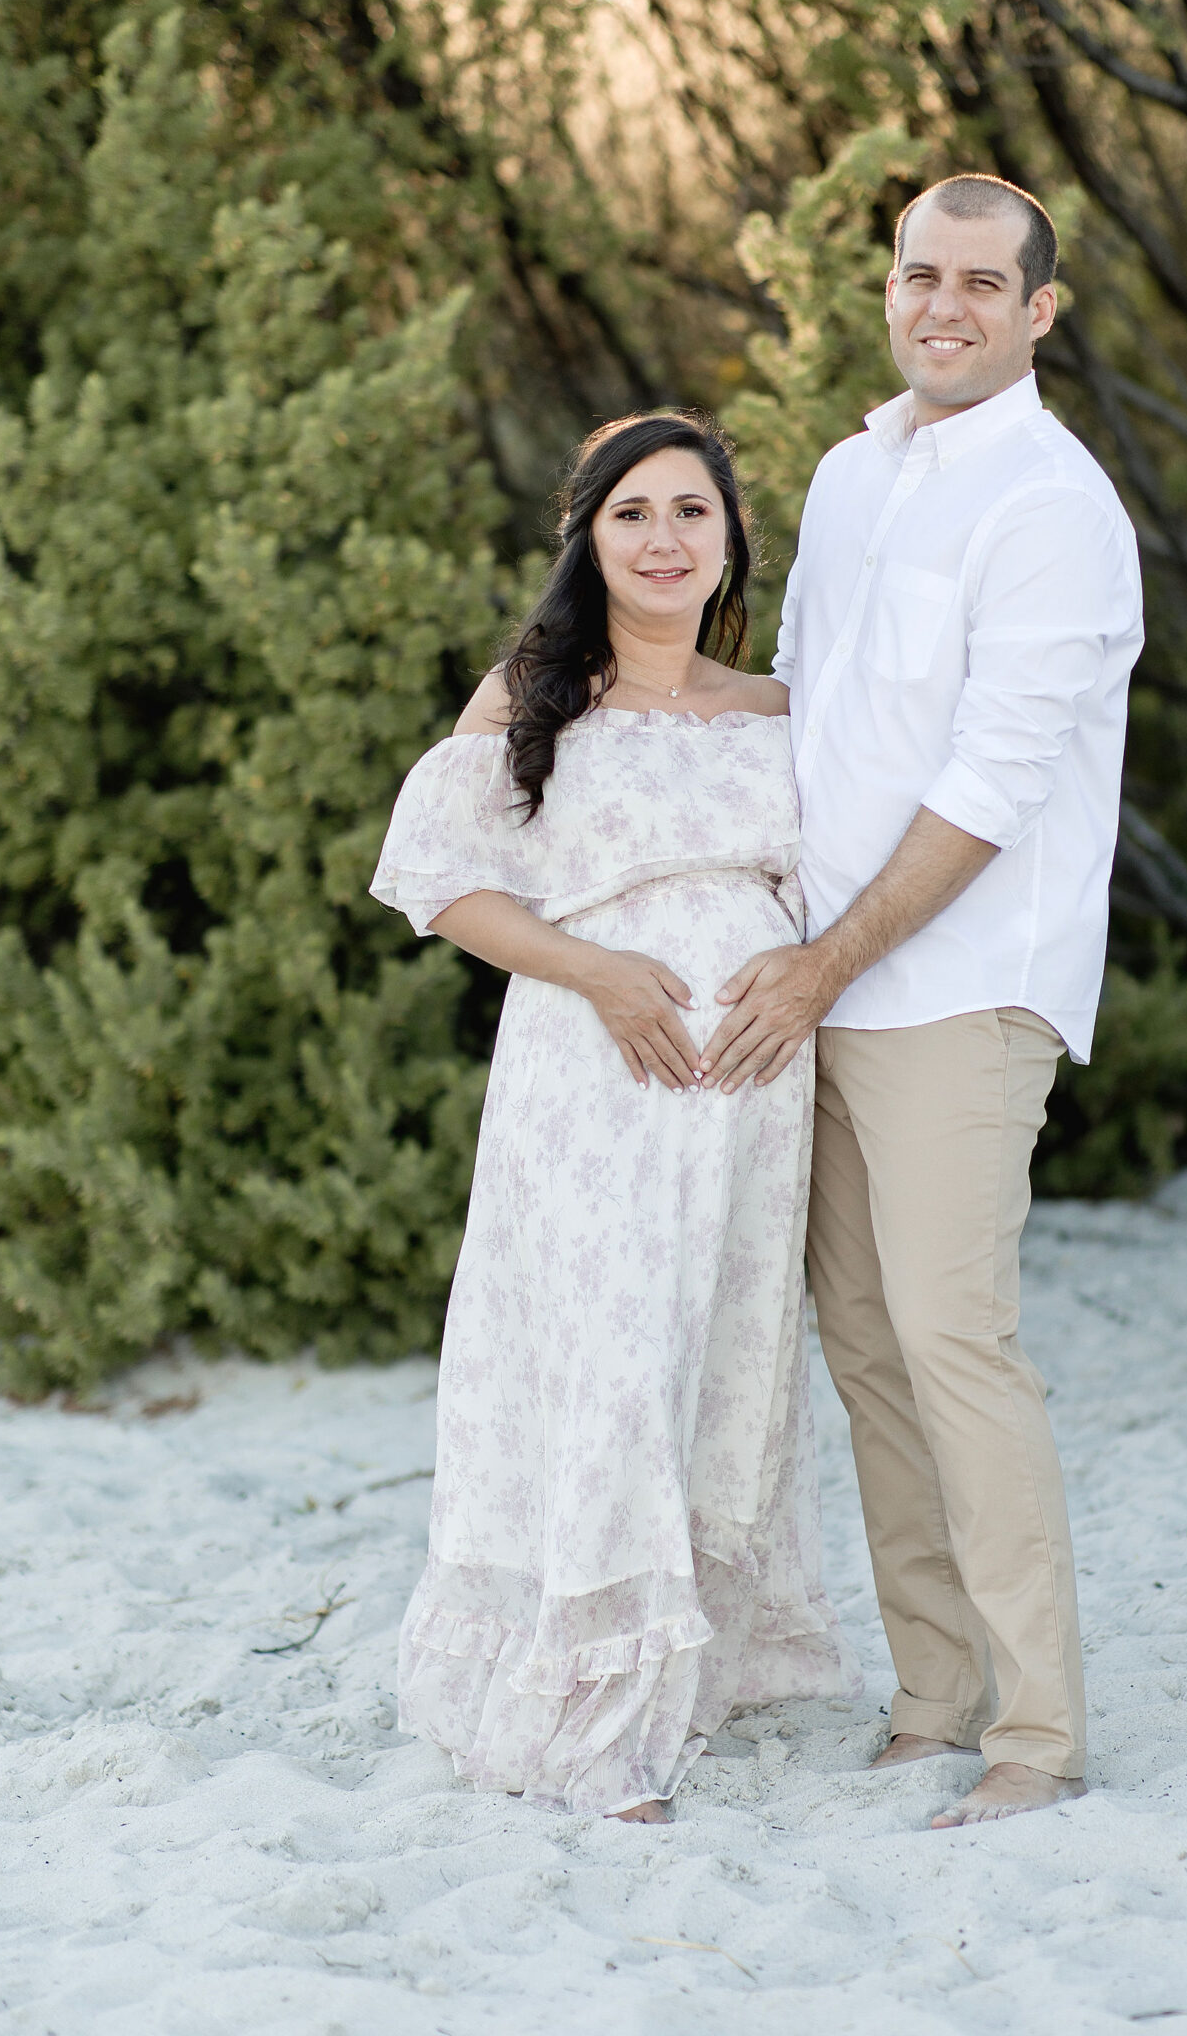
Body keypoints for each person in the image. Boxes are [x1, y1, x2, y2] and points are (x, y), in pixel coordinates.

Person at [700, 174, 1143, 1827]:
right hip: (826, 983)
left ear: (1039, 311)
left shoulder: (1052, 505)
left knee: (960, 1346)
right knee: (871, 1355)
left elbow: (989, 785)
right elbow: (810, 706)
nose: (942, 302)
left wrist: (825, 959)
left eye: (981, 280)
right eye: (917, 274)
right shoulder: (851, 468)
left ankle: (1036, 1738)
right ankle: (936, 1694)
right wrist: (605, 682)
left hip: (960, 989)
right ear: (887, 294)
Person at [370, 413, 857, 1823]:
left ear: (730, 542)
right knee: (610, 1356)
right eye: (632, 513)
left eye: (690, 513)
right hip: (595, 1077)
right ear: (589, 535)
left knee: (725, 1353)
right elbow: (435, 875)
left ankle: (690, 1674)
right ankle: (589, 1721)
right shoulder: (536, 690)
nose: (662, 539)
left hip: (755, 1094)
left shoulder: (780, 707)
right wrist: (595, 972)